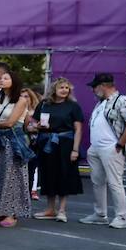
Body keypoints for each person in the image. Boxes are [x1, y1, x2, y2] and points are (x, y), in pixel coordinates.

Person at [81, 73, 126, 229]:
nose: (93, 90)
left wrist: (120, 144)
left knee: (115, 183)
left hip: (111, 147)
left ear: (102, 86)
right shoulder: (100, 103)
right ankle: (100, 214)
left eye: (94, 87)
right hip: (97, 148)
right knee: (97, 182)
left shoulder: (123, 100)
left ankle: (121, 217)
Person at [0, 70, 33, 227]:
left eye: (6, 78)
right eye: (1, 78)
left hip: (13, 142)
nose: (1, 80)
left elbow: (10, 123)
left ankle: (11, 213)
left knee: (12, 177)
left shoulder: (21, 100)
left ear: (14, 81)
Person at [31, 78, 84, 222]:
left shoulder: (73, 106)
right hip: (47, 143)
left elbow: (78, 129)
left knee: (64, 174)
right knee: (48, 174)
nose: (65, 90)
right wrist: (37, 127)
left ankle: (62, 210)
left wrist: (75, 150)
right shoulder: (44, 104)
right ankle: (50, 209)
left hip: (65, 144)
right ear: (54, 89)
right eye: (62, 87)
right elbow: (33, 122)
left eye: (67, 88)